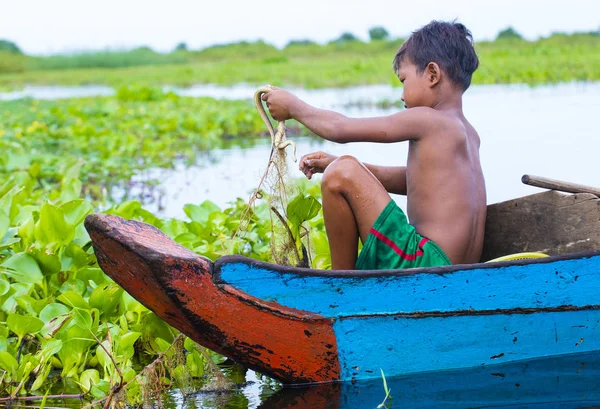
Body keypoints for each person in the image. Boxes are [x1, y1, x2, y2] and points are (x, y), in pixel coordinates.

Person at [262, 20, 487, 270]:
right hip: (462, 270)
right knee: (342, 166)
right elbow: (417, 181)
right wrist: (339, 163)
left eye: (403, 80)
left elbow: (340, 128)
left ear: (432, 74)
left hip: (426, 264)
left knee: (341, 174)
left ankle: (341, 286)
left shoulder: (429, 119)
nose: (402, 95)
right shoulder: (468, 133)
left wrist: (293, 106)